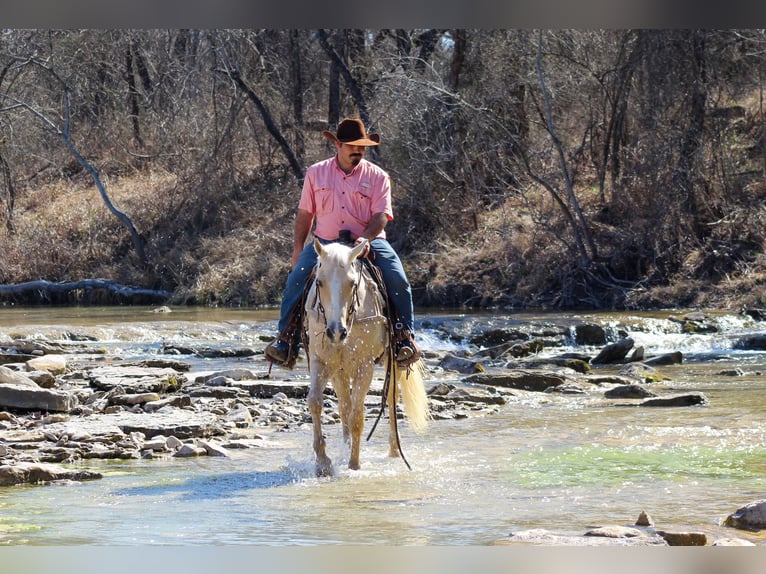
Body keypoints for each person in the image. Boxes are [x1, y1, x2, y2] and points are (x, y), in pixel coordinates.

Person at [265, 117, 419, 367]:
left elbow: (381, 215)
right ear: (337, 144)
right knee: (297, 278)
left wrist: (365, 238)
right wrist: (297, 250)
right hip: (325, 244)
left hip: (367, 242)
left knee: (397, 277)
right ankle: (285, 339)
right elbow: (306, 214)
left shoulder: (378, 176)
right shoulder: (316, 173)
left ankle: (404, 337)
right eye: (352, 146)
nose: (358, 151)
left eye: (362, 147)